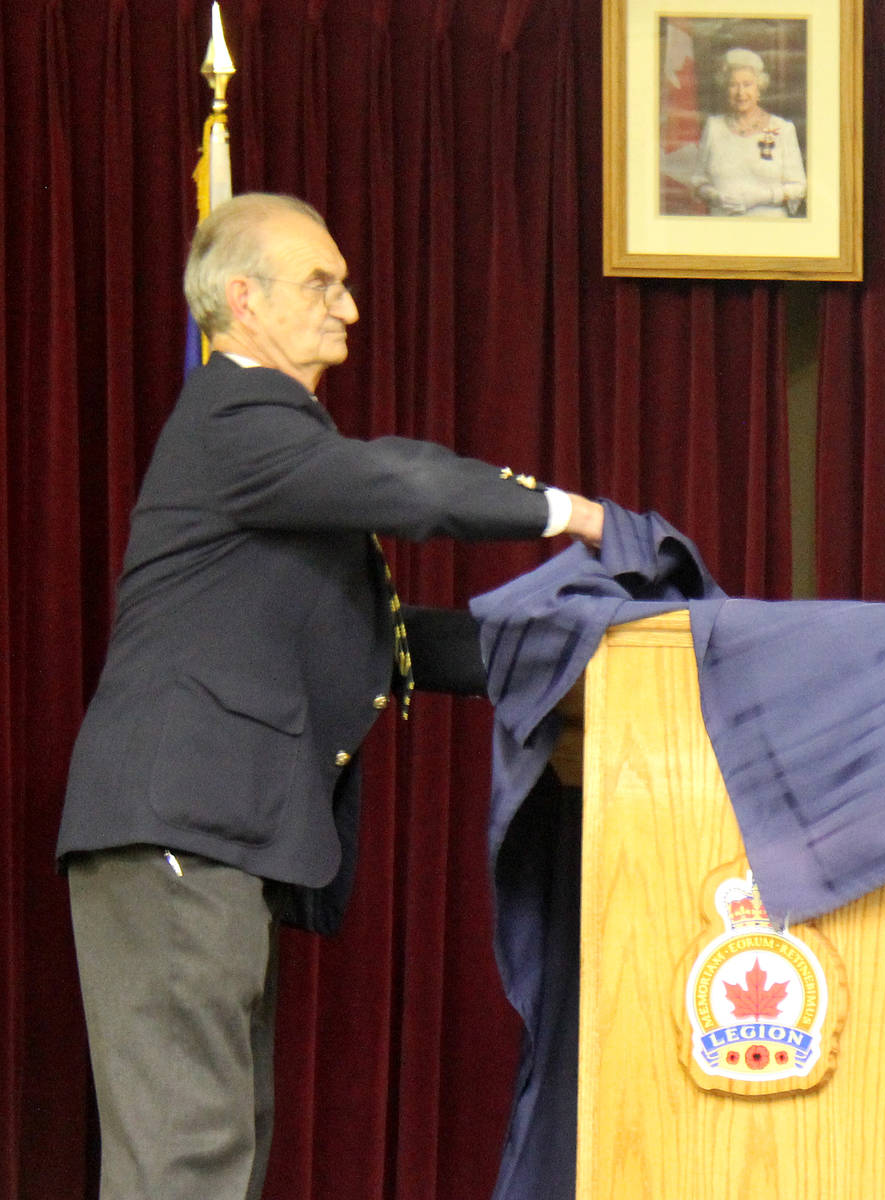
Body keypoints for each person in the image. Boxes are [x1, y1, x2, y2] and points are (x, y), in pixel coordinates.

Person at [56, 192, 605, 1200]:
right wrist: (570, 513)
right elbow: (411, 486)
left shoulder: (274, 454)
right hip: (182, 826)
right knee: (189, 1157)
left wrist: (569, 655)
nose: (349, 308)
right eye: (323, 283)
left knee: (218, 1145)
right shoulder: (236, 420)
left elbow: (384, 642)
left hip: (206, 836)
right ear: (241, 300)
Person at [690, 47, 806, 218]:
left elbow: (799, 187)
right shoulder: (713, 127)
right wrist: (715, 196)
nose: (740, 93)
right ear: (725, 88)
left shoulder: (782, 129)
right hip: (721, 230)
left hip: (770, 231)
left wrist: (760, 197)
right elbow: (698, 181)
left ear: (759, 88)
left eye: (747, 84)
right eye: (733, 85)